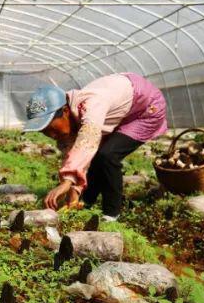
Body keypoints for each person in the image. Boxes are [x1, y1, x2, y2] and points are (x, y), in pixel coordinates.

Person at [22, 74, 168, 221]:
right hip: (125, 109)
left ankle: (111, 214)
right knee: (94, 156)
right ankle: (86, 200)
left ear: (65, 111)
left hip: (147, 109)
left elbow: (87, 141)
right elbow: (75, 155)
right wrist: (74, 189)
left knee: (108, 155)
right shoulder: (72, 117)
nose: (50, 135)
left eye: (50, 128)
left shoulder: (91, 104)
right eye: (44, 132)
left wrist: (67, 181)